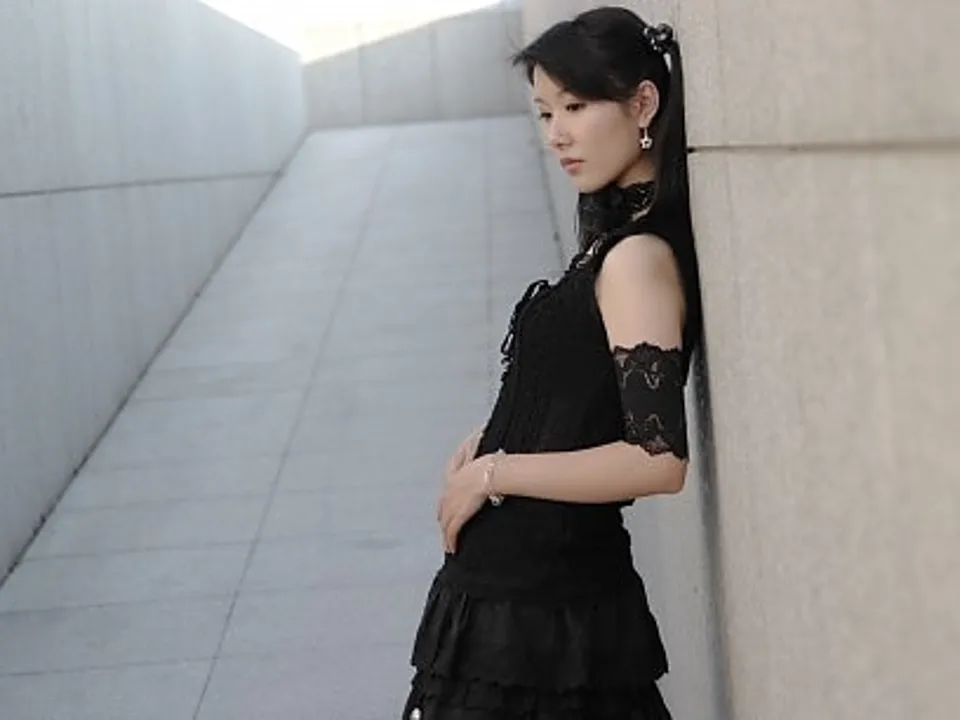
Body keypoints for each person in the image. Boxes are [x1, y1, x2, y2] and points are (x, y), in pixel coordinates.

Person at [402, 6, 704, 719]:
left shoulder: (637, 258)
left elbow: (657, 459)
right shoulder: (613, 244)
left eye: (575, 106)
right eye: (544, 113)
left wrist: (495, 472)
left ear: (643, 104)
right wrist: (493, 441)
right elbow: (581, 398)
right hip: (517, 613)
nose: (556, 134)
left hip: (545, 624)